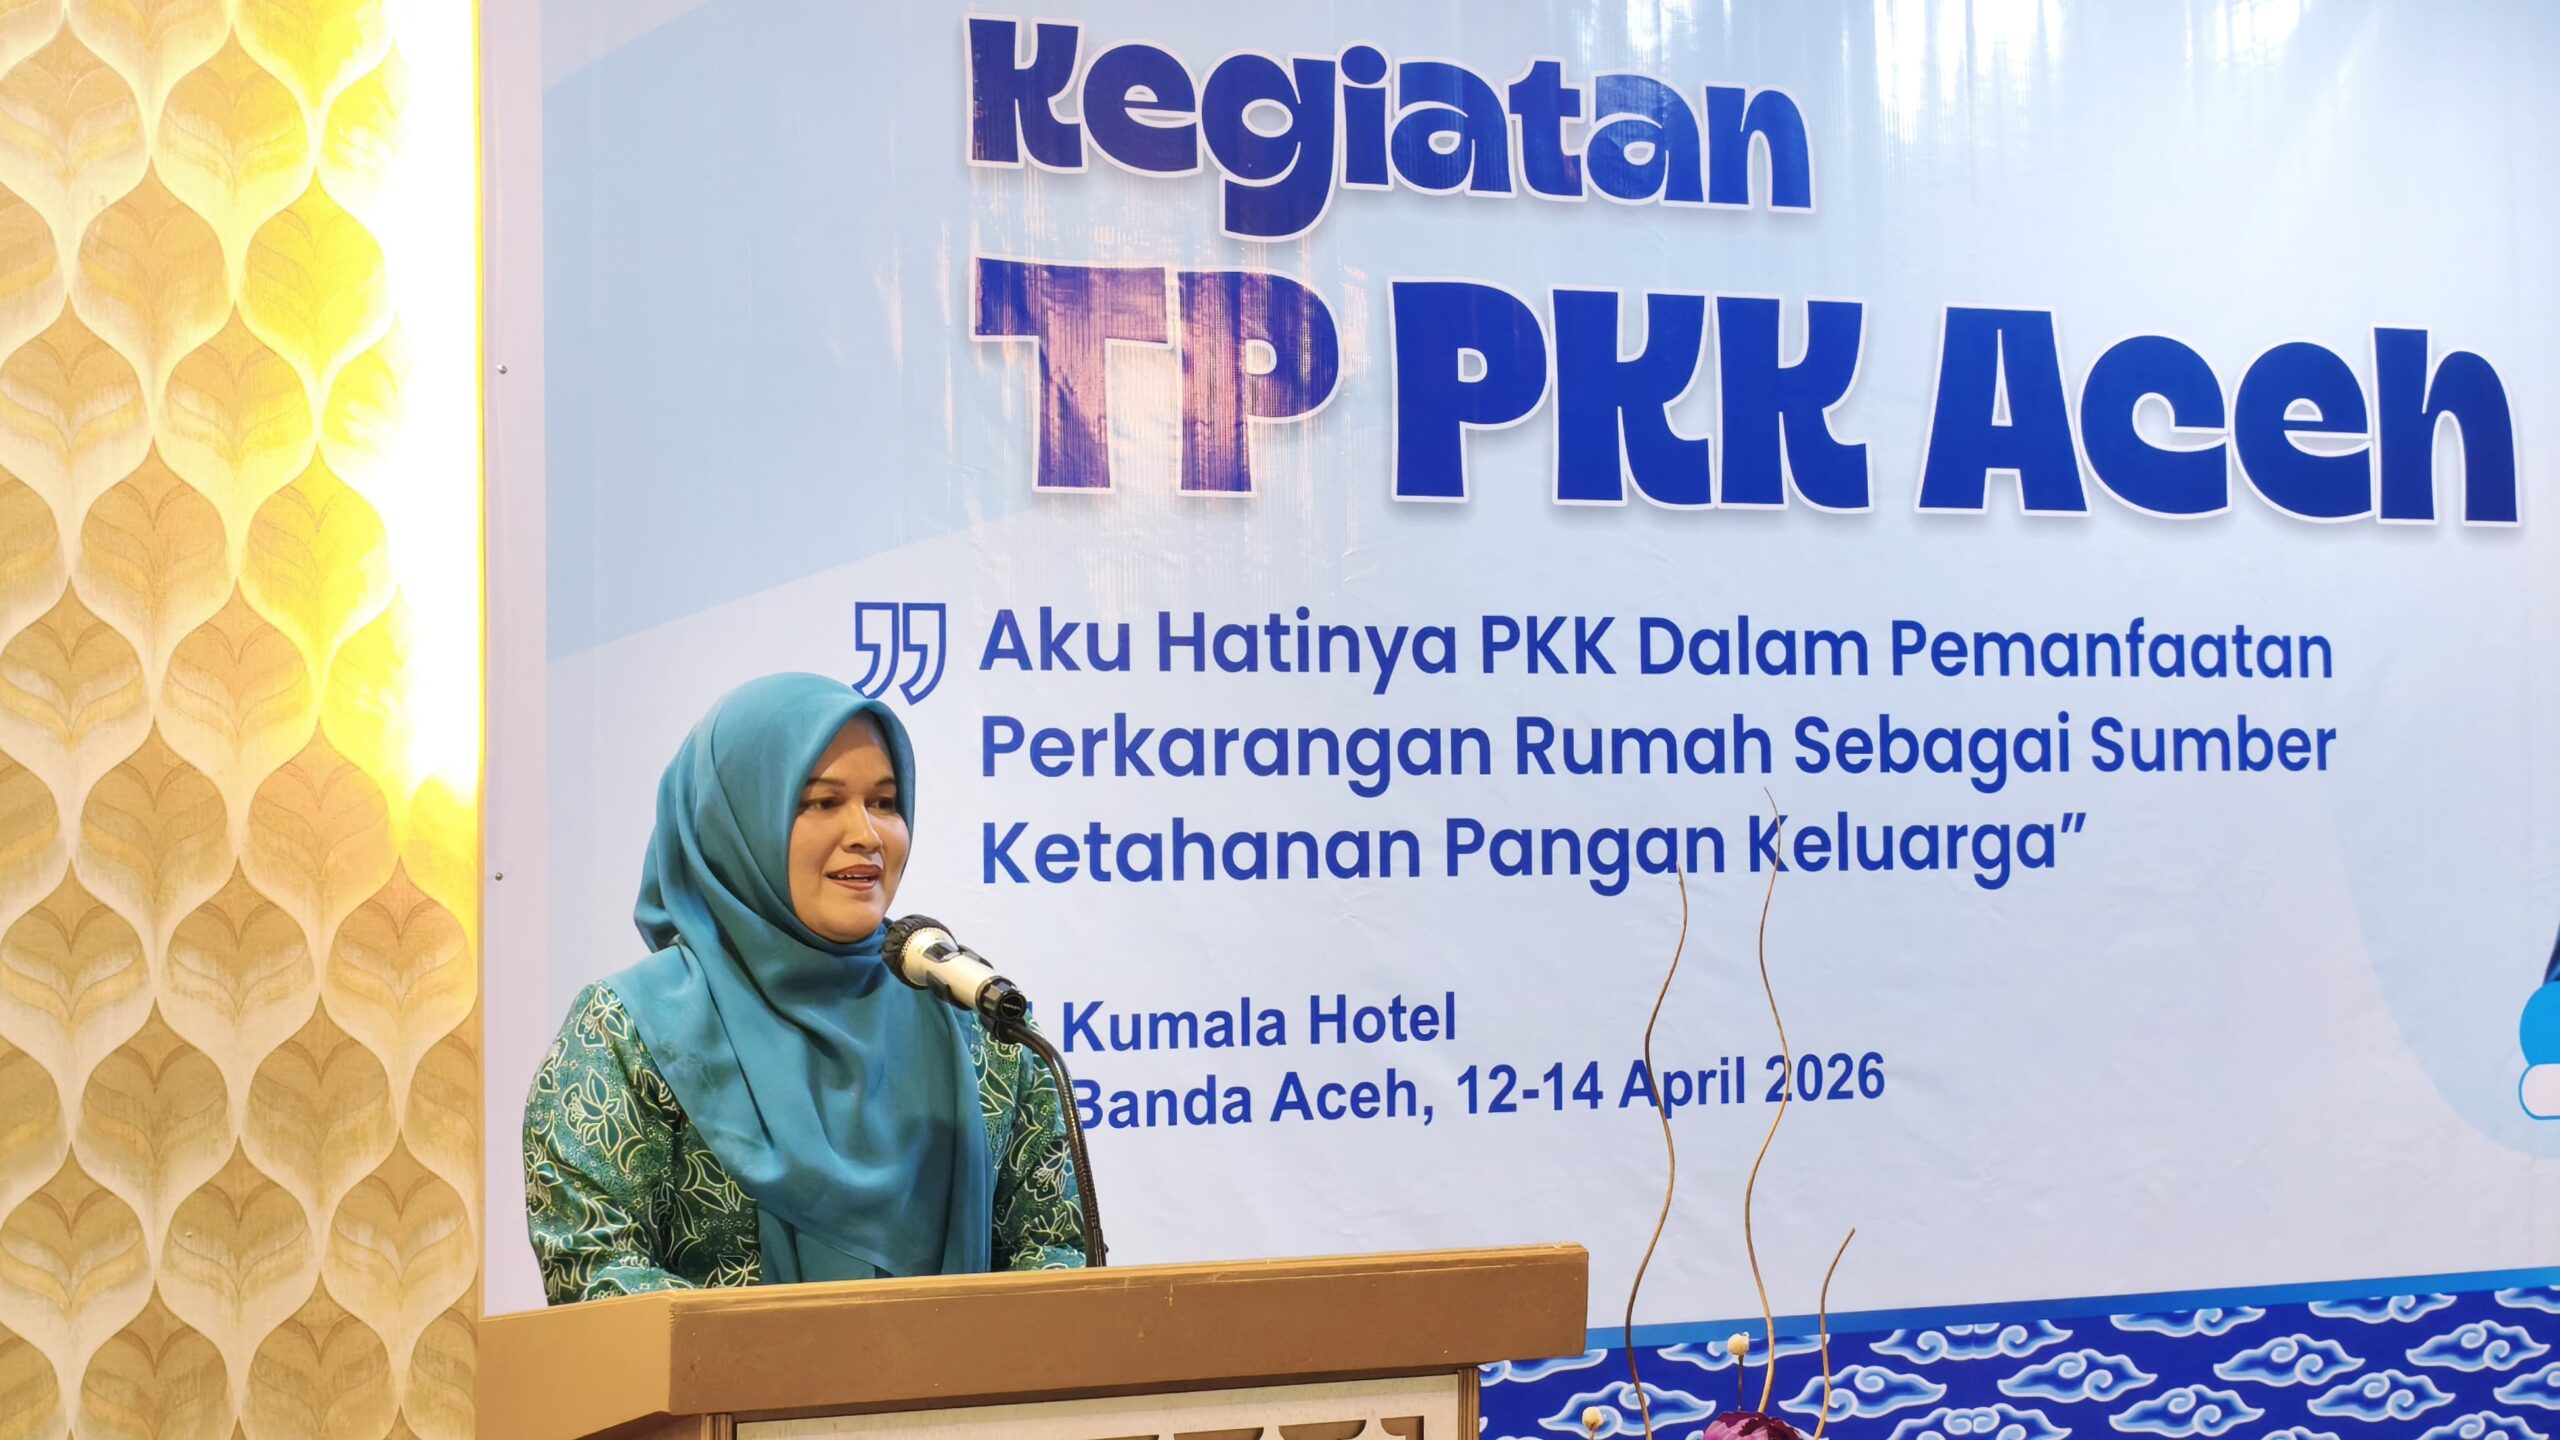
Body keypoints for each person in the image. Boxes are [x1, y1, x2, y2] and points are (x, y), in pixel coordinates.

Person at [522, 673, 1085, 1302]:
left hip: (967, 1370)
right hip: (727, 1373)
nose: (866, 835)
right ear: (734, 821)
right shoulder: (630, 1030)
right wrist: (795, 1356)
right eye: (821, 802)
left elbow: (1057, 1248)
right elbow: (594, 1269)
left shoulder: (972, 1013)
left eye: (885, 802)